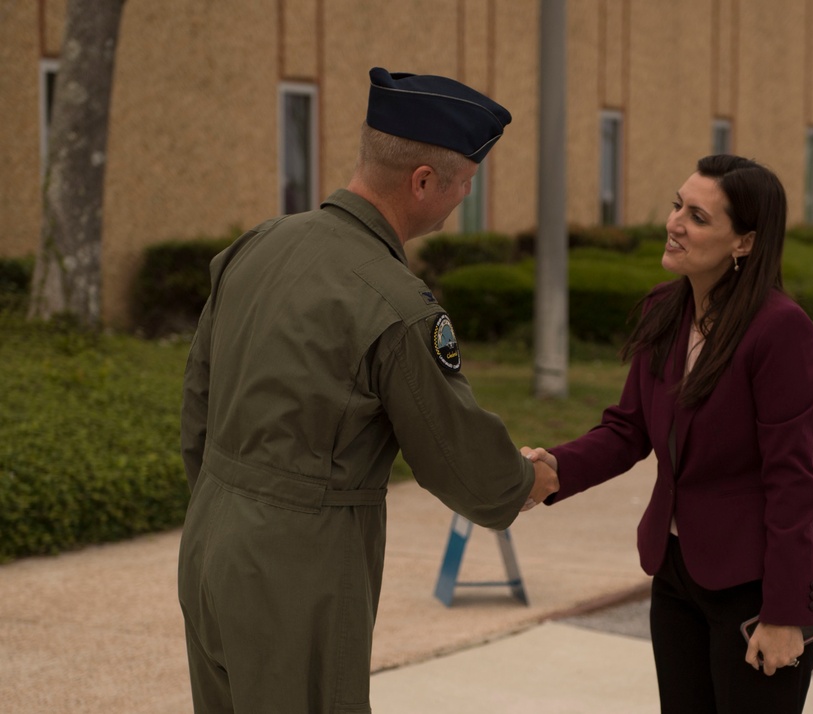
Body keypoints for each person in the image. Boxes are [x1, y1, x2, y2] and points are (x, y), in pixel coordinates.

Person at [178, 67, 559, 713]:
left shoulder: (258, 245)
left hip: (212, 535)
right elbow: (452, 450)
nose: (461, 199)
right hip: (300, 564)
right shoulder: (396, 301)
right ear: (422, 182)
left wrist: (232, 509)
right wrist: (526, 482)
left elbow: (197, 407)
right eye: (464, 185)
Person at [524, 155, 813, 713]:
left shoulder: (780, 331)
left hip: (755, 584)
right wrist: (552, 472)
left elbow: (793, 482)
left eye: (697, 216)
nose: (675, 223)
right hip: (677, 573)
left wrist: (787, 612)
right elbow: (628, 429)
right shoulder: (665, 310)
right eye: (676, 206)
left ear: (744, 243)